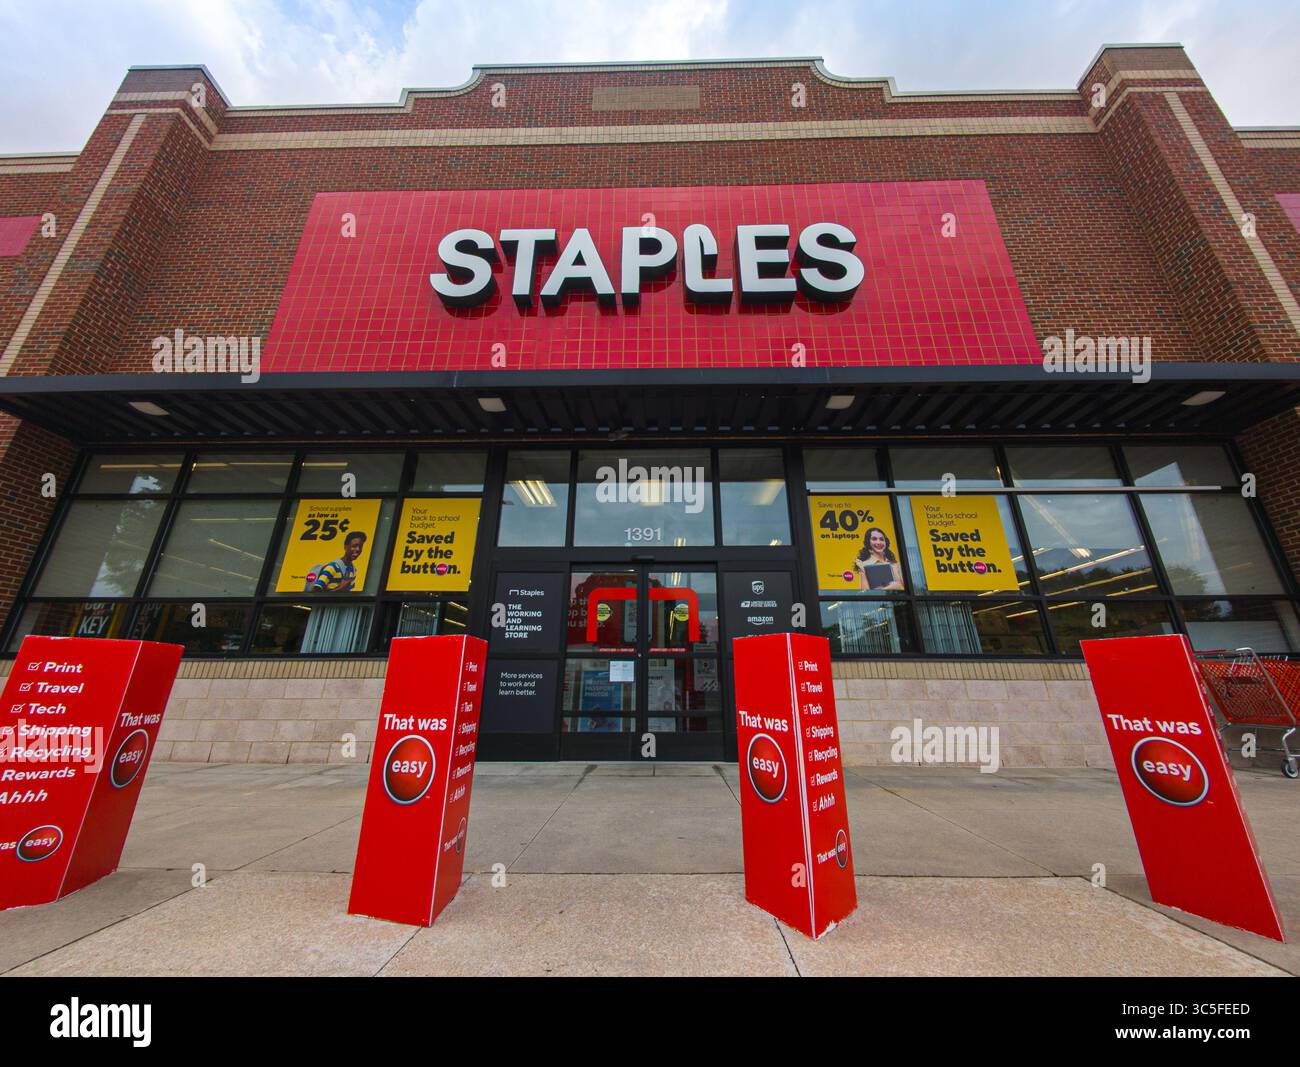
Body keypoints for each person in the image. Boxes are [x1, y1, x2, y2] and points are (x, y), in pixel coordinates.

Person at [854, 526, 904, 591]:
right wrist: (891, 587)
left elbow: (908, 587)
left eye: (881, 539)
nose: (878, 542)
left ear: (886, 542)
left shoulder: (895, 564)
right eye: (874, 539)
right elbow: (866, 594)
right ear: (868, 542)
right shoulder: (864, 566)